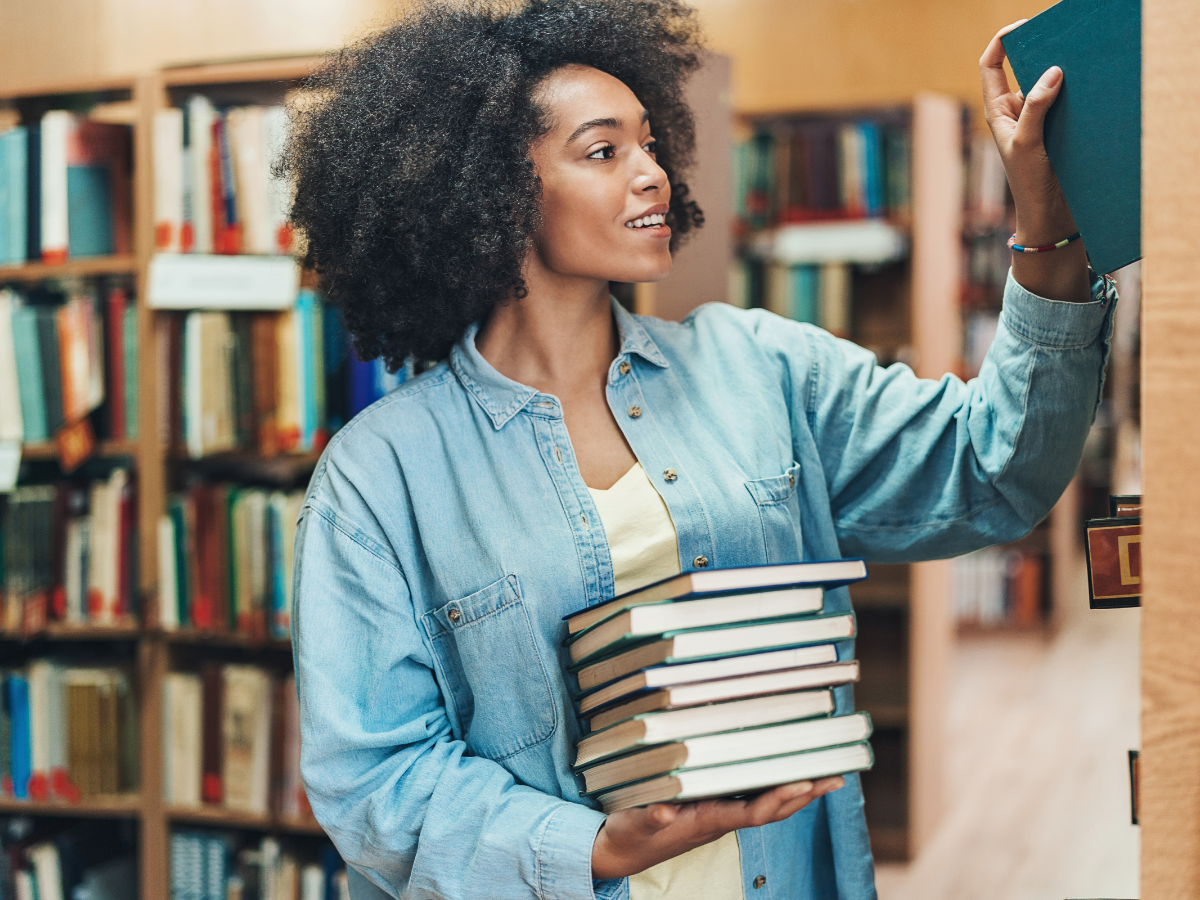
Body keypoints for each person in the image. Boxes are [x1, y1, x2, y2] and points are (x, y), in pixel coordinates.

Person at [281, 1, 1117, 898]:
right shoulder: (381, 477)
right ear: (490, 192)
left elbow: (997, 467)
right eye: (603, 152)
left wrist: (1048, 232)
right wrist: (597, 846)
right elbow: (373, 782)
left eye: (649, 144)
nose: (652, 176)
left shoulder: (758, 367)